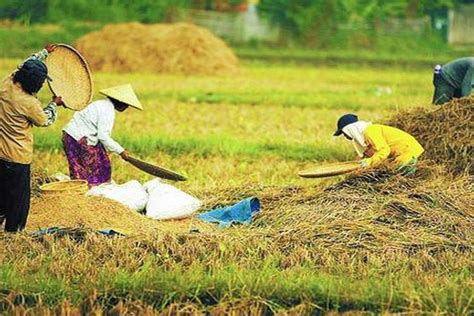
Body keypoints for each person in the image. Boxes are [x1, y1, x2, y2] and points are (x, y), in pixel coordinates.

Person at [0, 44, 63, 232]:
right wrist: (54, 104)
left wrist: (44, 53)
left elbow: (25, 64)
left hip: (0, 152)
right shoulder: (29, 103)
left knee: (1, 193)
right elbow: (45, 120)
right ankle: (14, 233)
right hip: (17, 156)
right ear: (34, 84)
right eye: (41, 83)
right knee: (19, 199)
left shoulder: (7, 82)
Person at [62, 84, 143, 187]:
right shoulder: (107, 110)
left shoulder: (101, 104)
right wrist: (121, 151)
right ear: (120, 102)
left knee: (101, 163)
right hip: (77, 139)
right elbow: (103, 136)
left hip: (72, 136)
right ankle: (88, 194)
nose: (127, 107)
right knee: (87, 172)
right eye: (126, 104)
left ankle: (91, 192)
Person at [334, 114, 424, 175]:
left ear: (350, 130)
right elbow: (371, 153)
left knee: (399, 178)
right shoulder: (366, 136)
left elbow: (384, 150)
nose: (345, 136)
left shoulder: (370, 131)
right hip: (401, 153)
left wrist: (368, 162)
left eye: (344, 133)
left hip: (406, 152)